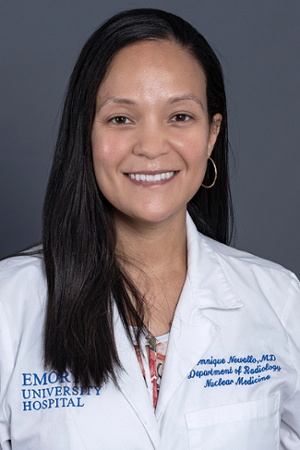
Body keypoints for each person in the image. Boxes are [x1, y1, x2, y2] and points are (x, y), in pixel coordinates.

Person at [0, 8, 299, 450]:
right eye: (121, 118)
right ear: (86, 134)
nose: (152, 147)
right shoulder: (10, 305)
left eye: (180, 116)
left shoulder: (279, 300)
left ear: (213, 134)